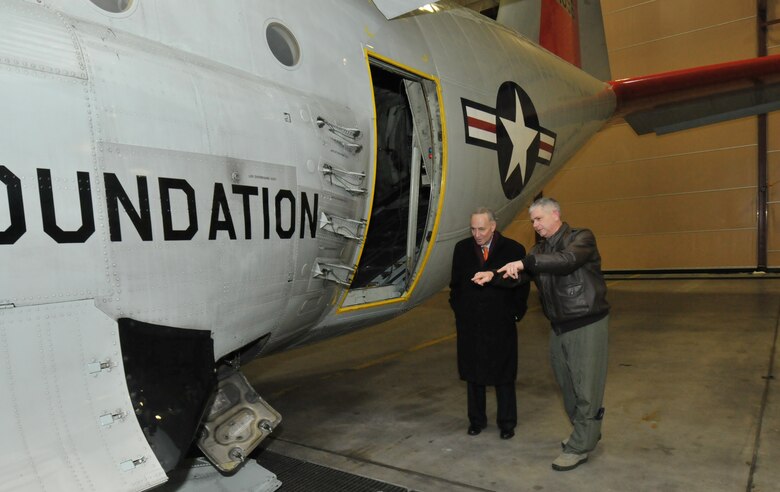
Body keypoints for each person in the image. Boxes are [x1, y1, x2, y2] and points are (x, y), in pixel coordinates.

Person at [472, 197, 609, 471]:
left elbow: (566, 261)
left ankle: (581, 445)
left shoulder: (580, 238)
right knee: (567, 386)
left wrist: (526, 263)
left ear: (555, 214)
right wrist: (493, 276)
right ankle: (586, 431)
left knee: (586, 388)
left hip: (586, 322)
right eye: (532, 221)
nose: (535, 225)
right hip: (559, 326)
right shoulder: (539, 249)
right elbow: (521, 276)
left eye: (538, 219)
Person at [449, 207, 530, 440]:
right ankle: (476, 420)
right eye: (473, 229)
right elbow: (456, 285)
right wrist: (459, 311)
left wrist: (515, 314)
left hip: (500, 323)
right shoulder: (462, 249)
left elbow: (522, 285)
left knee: (503, 374)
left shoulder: (513, 249)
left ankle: (507, 423)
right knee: (473, 374)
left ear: (493, 227)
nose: (477, 234)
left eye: (481, 229)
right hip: (470, 325)